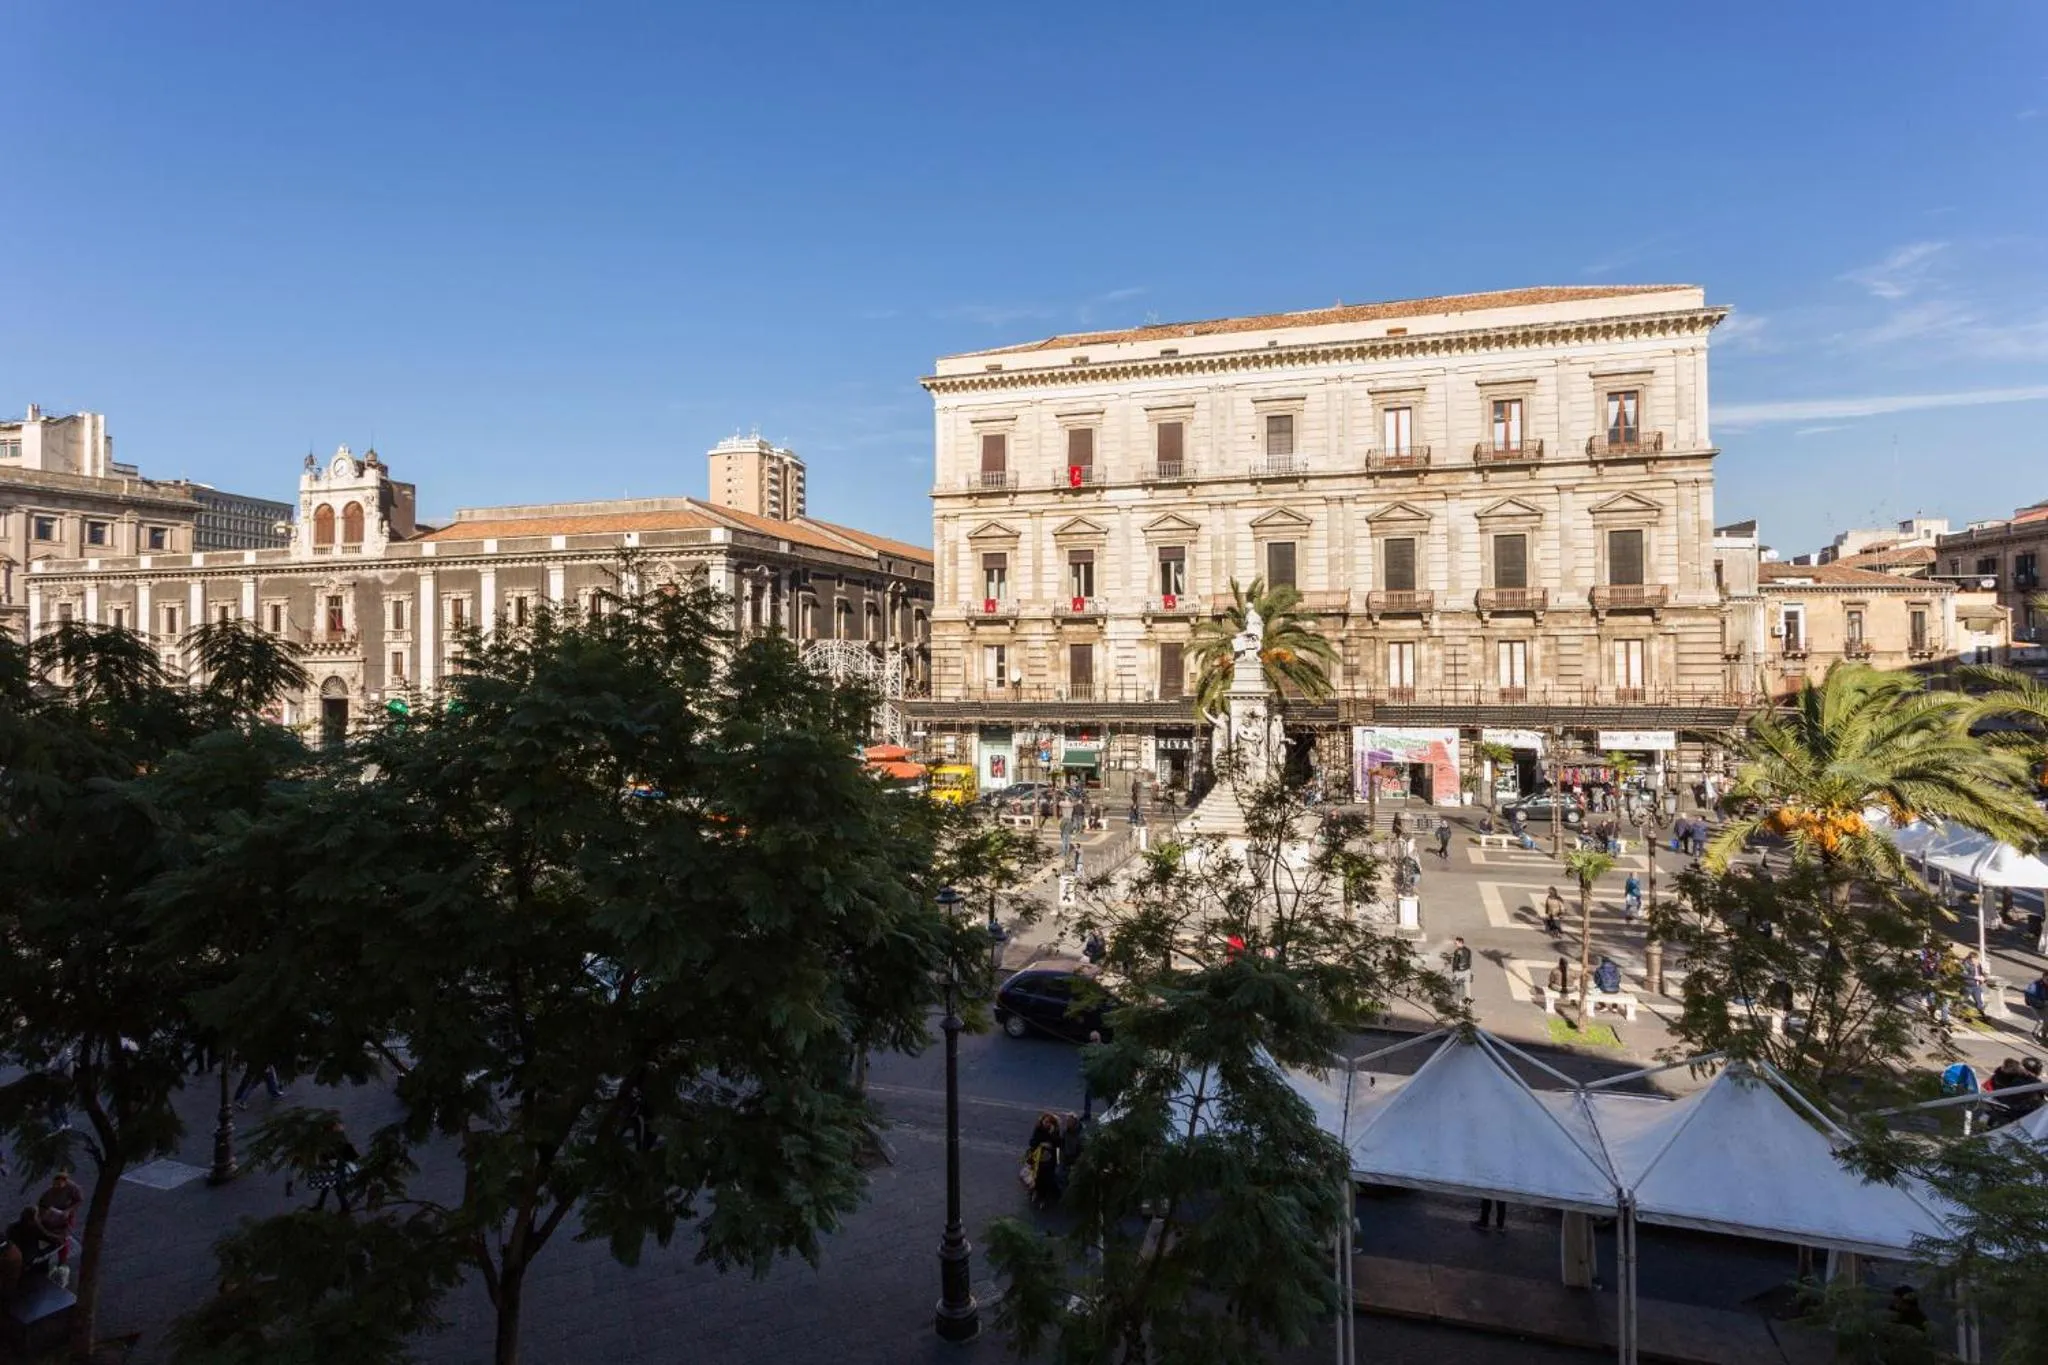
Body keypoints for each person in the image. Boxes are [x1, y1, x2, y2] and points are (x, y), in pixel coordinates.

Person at [309, 1119, 361, 1213]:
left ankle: (342, 1208)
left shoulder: (333, 1137)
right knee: (330, 1186)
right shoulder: (338, 1136)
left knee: (333, 1186)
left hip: (336, 1165)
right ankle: (325, 1206)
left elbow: (333, 1151)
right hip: (336, 1164)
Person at [1024, 1112, 1062, 1209]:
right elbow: (1032, 1142)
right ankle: (1036, 1192)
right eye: (1045, 1122)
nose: (1047, 1124)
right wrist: (1041, 1144)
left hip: (1049, 1160)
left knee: (1047, 1178)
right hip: (1038, 1158)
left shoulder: (1054, 1131)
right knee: (1037, 1176)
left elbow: (1058, 1145)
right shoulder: (1038, 1130)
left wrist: (1052, 1136)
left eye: (1049, 1122)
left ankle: (1043, 1198)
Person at [1960, 950, 1987, 1016]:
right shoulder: (1965, 964)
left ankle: (1982, 1014)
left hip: (1976, 985)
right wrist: (1975, 977)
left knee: (1979, 1001)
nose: (1976, 960)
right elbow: (1963, 975)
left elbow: (1980, 973)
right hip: (1968, 985)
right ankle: (1957, 1008)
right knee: (1963, 999)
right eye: (1975, 959)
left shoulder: (1978, 965)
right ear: (1970, 959)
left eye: (1977, 959)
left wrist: (1983, 977)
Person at [1447, 938, 1474, 1004]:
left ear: (1460, 942)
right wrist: (1469, 970)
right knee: (1467, 985)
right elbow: (1470, 961)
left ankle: (1458, 1002)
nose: (1455, 944)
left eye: (1456, 943)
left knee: (1455, 986)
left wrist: (1454, 971)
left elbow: (1455, 962)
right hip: (1467, 970)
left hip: (1459, 971)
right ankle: (1468, 999)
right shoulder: (1468, 950)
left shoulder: (1457, 951)